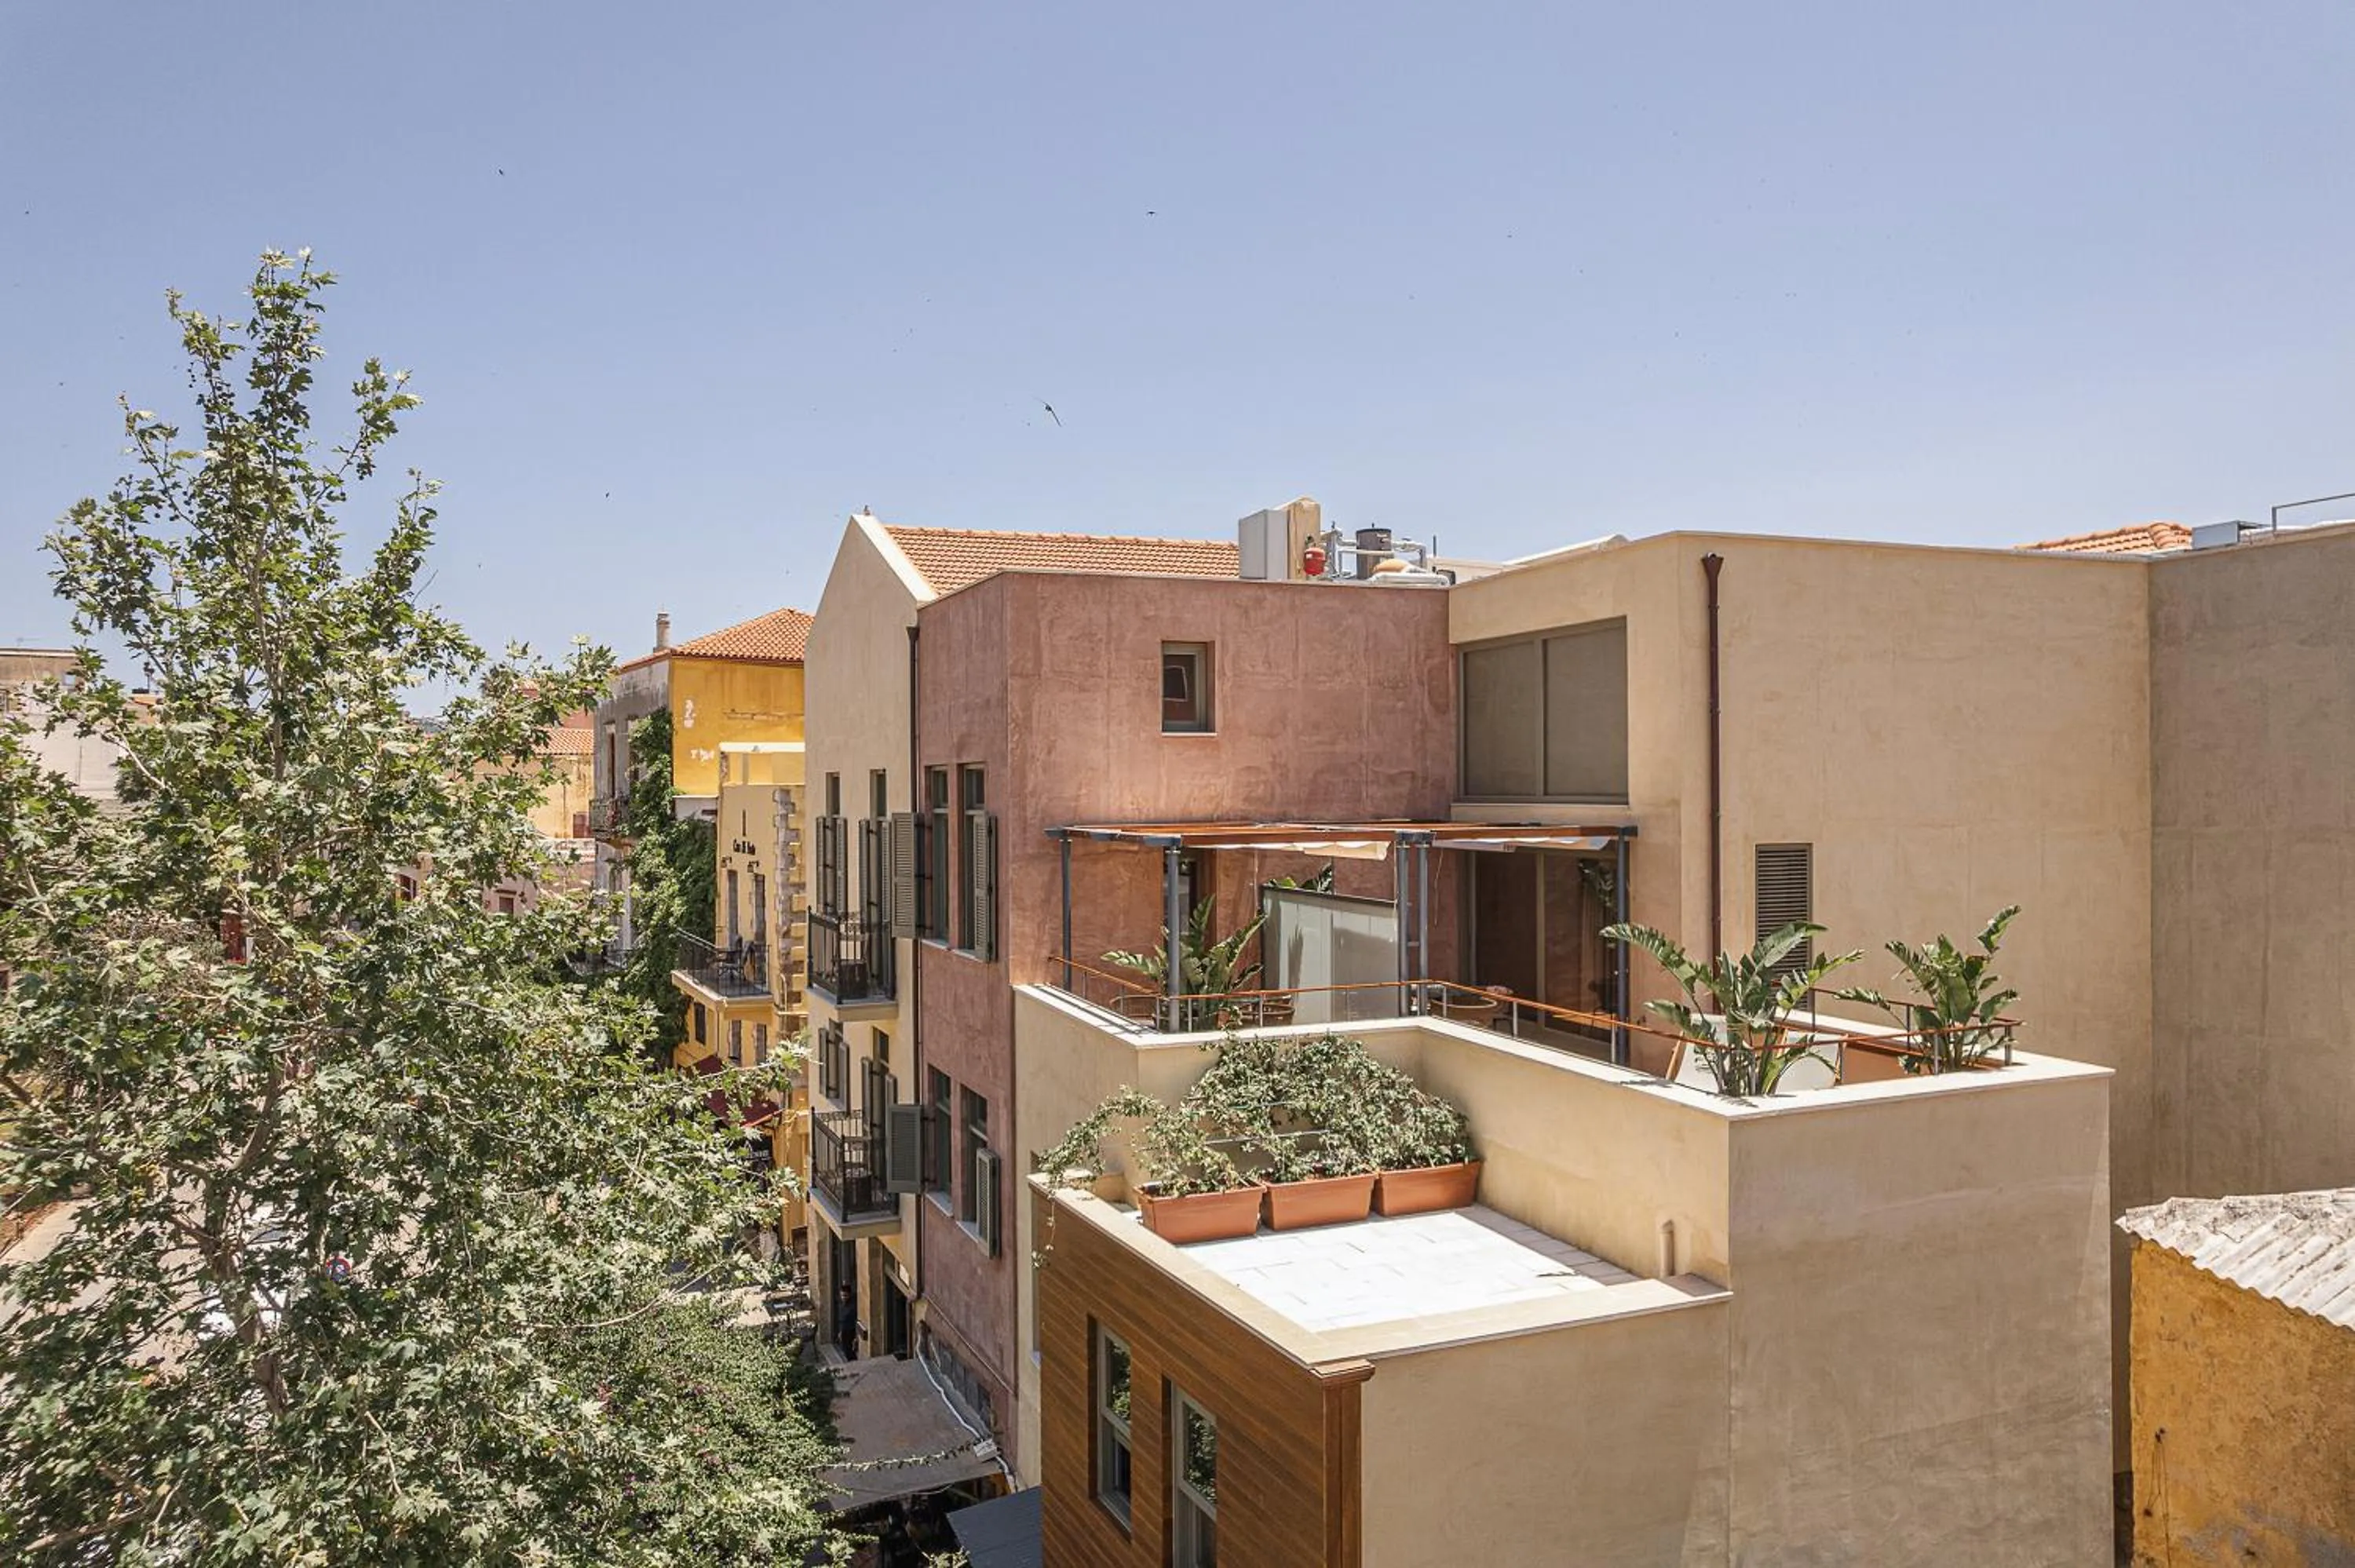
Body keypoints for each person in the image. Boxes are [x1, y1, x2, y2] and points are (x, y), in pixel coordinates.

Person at [834, 1283, 860, 1358]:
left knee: (850, 1353)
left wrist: (856, 1337)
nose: (843, 1298)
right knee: (845, 1351)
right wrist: (840, 1332)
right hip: (844, 1331)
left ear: (849, 1295)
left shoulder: (853, 1307)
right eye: (842, 1296)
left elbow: (856, 1321)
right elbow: (841, 1320)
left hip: (851, 1332)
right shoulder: (842, 1304)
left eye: (845, 1296)